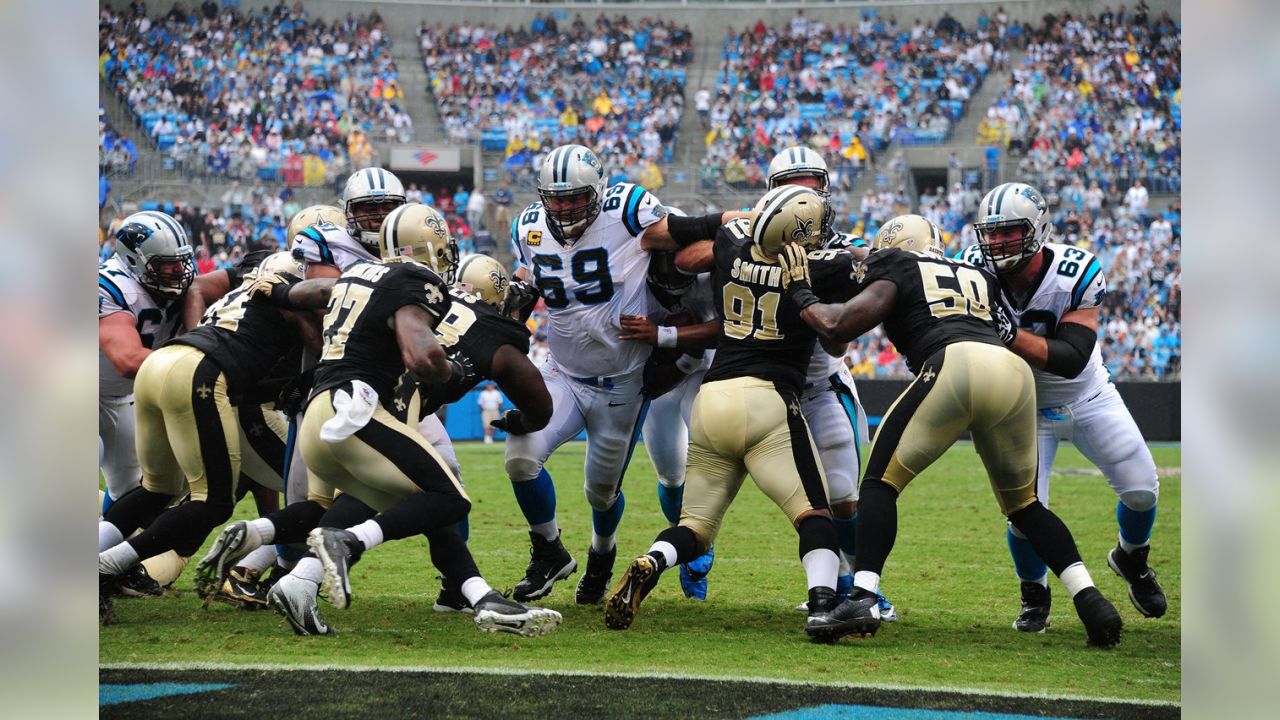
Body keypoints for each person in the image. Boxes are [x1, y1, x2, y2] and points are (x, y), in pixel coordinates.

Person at [774, 212, 1124, 647]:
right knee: (1026, 506)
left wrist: (801, 293)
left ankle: (863, 597)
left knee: (880, 484)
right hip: (1013, 372)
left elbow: (837, 324)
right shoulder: (978, 271)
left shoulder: (899, 265)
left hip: (953, 365)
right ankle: (1090, 599)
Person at [254, 227, 561, 638]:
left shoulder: (378, 277)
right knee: (448, 498)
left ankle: (300, 579)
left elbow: (314, 292)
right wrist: (466, 377)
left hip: (321, 406)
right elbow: (540, 406)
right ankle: (347, 545)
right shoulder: (473, 317)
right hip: (371, 410)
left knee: (380, 496)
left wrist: (275, 290)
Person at [605, 187, 867, 642]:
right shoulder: (825, 268)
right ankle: (824, 606)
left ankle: (654, 559)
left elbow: (689, 247)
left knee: (696, 528)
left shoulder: (730, 241)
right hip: (768, 399)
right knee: (814, 515)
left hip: (713, 398)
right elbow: (868, 265)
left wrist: (762, 219)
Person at [505, 143, 730, 605]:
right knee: (520, 457)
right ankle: (549, 550)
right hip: (563, 372)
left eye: (574, 197)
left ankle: (601, 556)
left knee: (601, 494)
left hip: (621, 383)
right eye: (556, 197)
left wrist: (737, 218)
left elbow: (685, 231)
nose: (564, 207)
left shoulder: (626, 213)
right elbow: (526, 288)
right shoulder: (526, 227)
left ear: (598, 191)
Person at [960, 182, 1167, 632]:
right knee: (1024, 512)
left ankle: (1131, 559)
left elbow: (1072, 359)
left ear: (1036, 230)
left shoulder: (1075, 270)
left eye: (1008, 232)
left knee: (1142, 489)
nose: (996, 243)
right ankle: (1034, 593)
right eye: (990, 233)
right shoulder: (972, 270)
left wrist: (1011, 336)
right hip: (1021, 407)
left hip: (1086, 395)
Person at [98, 252, 309, 624]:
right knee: (212, 502)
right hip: (200, 374)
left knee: (157, 490)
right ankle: (105, 567)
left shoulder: (246, 286)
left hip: (161, 363)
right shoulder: (296, 294)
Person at [762, 147, 897, 619]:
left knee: (842, 495)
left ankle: (865, 589)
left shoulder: (848, 251)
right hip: (767, 392)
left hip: (820, 386)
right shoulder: (748, 244)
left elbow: (846, 332)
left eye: (810, 183)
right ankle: (835, 584)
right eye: (789, 184)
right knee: (806, 502)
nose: (802, 194)